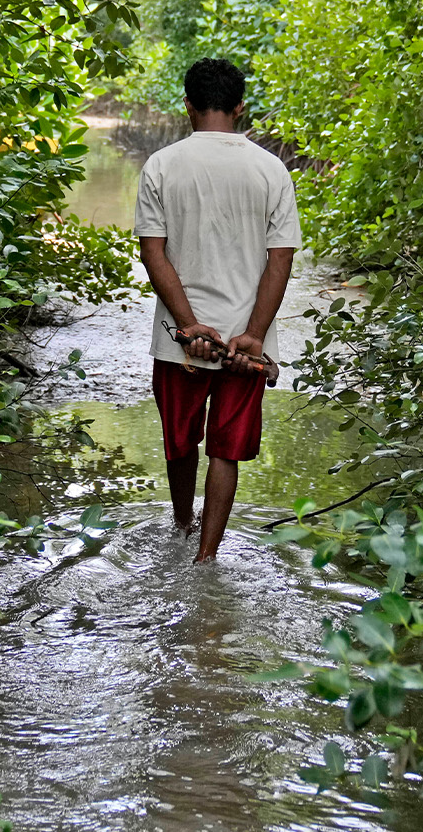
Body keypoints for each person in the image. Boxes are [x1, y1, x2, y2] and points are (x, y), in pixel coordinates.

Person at [134, 57, 301, 563]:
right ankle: (206, 558)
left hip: (179, 342)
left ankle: (182, 527)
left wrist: (187, 324)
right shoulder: (271, 169)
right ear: (240, 107)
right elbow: (281, 262)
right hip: (245, 347)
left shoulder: (161, 165)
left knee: (180, 443)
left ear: (186, 106)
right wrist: (252, 334)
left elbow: (152, 253)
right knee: (225, 451)